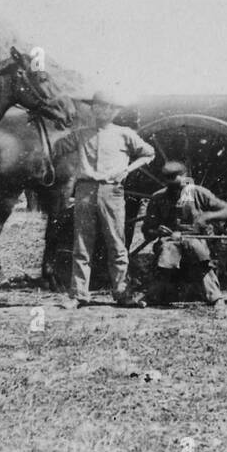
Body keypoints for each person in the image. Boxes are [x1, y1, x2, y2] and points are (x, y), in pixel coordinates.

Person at [62, 90, 154, 310]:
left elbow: (148, 153)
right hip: (84, 191)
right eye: (96, 106)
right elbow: (57, 149)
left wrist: (127, 170)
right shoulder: (80, 134)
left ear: (114, 111)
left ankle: (122, 293)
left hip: (112, 192)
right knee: (82, 244)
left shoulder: (124, 134)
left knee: (116, 243)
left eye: (105, 106)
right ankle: (78, 294)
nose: (99, 110)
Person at [142, 161, 227, 310]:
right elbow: (147, 232)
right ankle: (153, 296)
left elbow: (226, 210)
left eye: (180, 186)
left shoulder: (198, 192)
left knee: (197, 250)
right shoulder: (158, 198)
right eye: (171, 186)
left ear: (185, 178)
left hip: (197, 238)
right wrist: (157, 231)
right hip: (169, 240)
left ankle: (215, 297)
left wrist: (208, 217)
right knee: (167, 252)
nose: (177, 192)